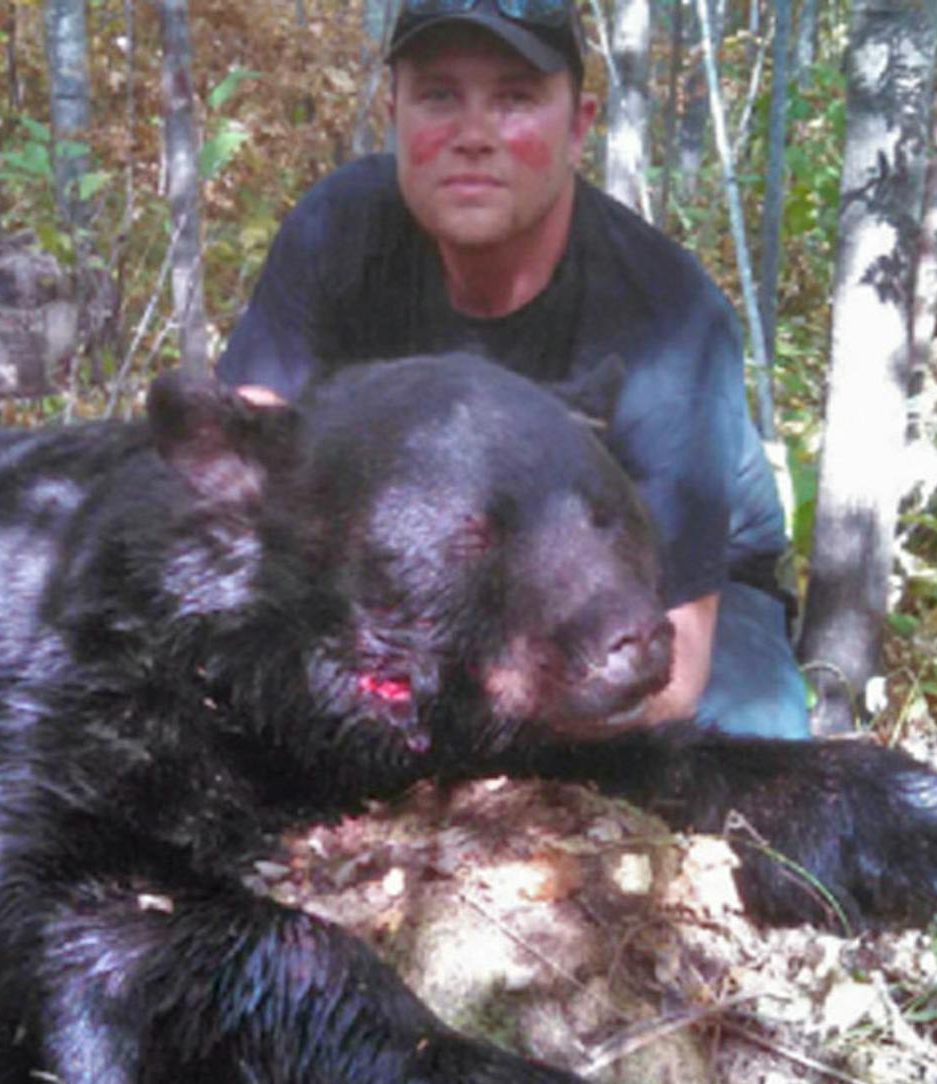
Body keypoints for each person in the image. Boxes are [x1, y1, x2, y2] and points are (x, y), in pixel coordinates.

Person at [218, 0, 808, 738]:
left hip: (652, 579)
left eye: (515, 98)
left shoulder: (669, 318)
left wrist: (441, 706)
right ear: (394, 110)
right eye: (440, 95)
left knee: (730, 751)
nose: (472, 136)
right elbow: (247, 479)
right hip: (436, 574)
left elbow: (673, 671)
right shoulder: (336, 233)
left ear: (580, 124)